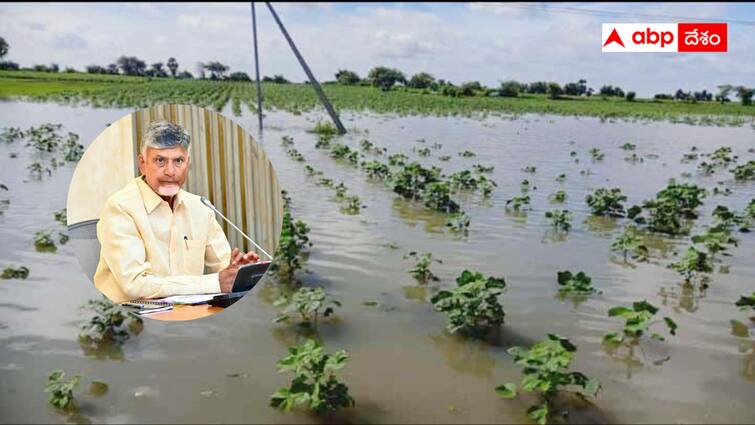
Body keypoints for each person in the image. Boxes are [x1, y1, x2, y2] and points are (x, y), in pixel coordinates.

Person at [93, 120, 259, 303]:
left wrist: (241, 272)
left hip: (188, 313)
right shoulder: (120, 207)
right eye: (160, 161)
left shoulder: (200, 207)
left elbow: (224, 269)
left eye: (178, 161)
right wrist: (216, 283)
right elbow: (134, 285)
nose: (170, 171)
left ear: (187, 163)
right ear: (142, 164)